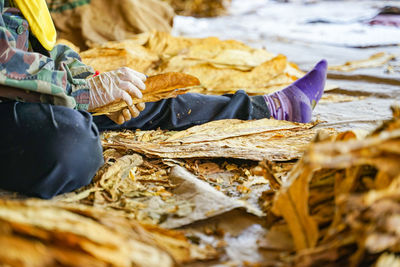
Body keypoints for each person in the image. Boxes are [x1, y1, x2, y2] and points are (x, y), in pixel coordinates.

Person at [0, 0, 327, 199]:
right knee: (72, 145)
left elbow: (41, 48)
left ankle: (270, 108)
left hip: (22, 89)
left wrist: (87, 79)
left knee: (146, 96)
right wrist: (77, 91)